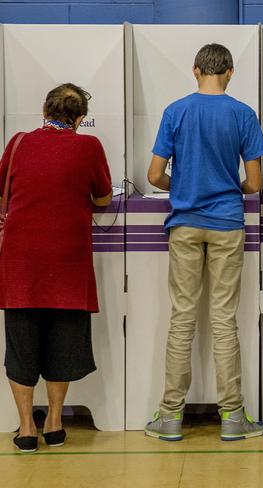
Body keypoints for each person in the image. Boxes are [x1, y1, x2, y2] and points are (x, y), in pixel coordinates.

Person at [145, 43, 263, 442]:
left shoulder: (176, 111)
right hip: (228, 223)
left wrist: (181, 185)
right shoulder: (243, 114)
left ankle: (170, 417)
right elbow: (253, 183)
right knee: (223, 320)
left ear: (195, 70)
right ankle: (232, 417)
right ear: (230, 72)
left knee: (182, 318)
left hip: (183, 224)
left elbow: (153, 175)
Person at [0, 84, 113, 453]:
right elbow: (103, 196)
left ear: (43, 109)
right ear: (80, 118)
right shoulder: (89, 146)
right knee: (64, 342)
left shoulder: (18, 143)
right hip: (68, 261)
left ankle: (25, 428)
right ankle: (54, 423)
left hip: (21, 262)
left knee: (21, 346)